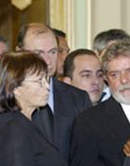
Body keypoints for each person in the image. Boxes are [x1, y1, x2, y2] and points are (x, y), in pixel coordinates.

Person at [16, 23, 91, 159]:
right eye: (38, 53)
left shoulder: (78, 98)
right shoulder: (4, 100)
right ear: (19, 53)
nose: (47, 61)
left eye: (53, 52)